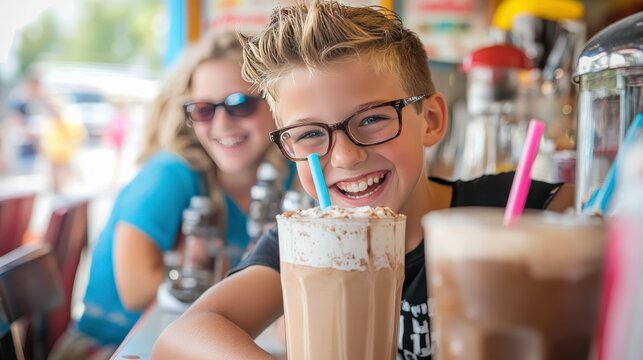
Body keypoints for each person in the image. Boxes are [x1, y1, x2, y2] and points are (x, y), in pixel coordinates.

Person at [152, 1, 574, 359]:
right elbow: (179, 337)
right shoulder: (305, 243)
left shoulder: (510, 212)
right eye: (310, 133)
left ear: (430, 119)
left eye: (372, 119)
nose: (346, 155)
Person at [49, 31, 296, 360]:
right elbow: (135, 289)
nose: (221, 123)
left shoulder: (291, 174)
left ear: (274, 102)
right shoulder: (169, 175)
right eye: (204, 109)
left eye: (240, 104)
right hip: (108, 348)